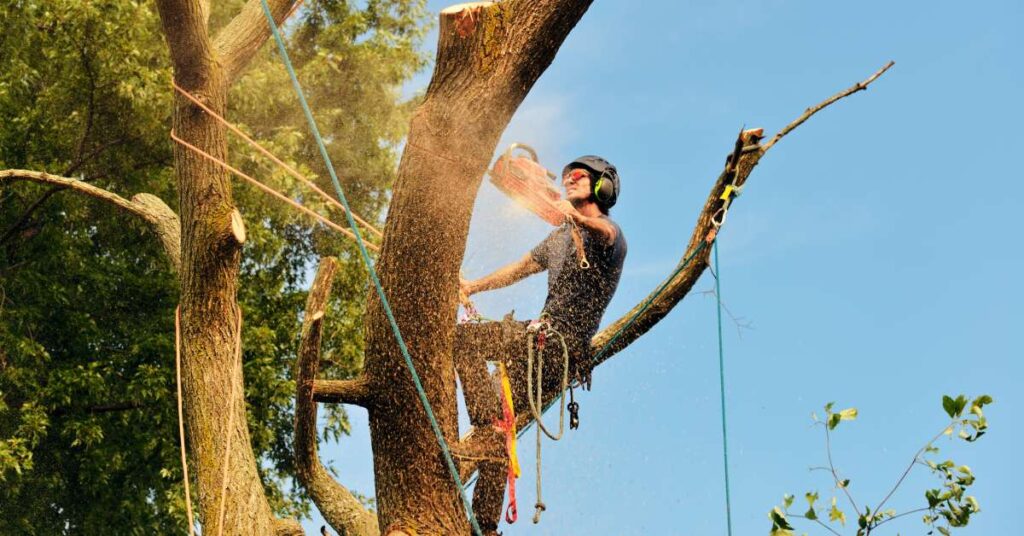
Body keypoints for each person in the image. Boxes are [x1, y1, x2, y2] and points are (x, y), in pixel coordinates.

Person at [454, 155, 627, 534]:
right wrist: (472, 286)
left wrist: (576, 216)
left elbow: (605, 233)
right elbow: (518, 269)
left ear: (603, 186)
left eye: (579, 177)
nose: (569, 182)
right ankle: (484, 526)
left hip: (559, 347)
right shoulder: (559, 238)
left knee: (464, 340)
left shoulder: (608, 236)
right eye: (566, 179)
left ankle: (485, 424)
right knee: (498, 429)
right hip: (536, 344)